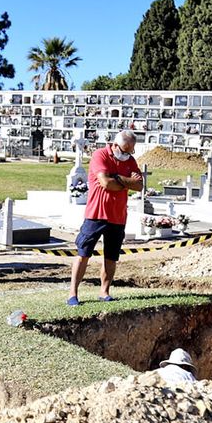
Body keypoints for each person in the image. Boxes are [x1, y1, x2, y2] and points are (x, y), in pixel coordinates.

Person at [67, 129, 143, 306]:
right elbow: (106, 183)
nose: (127, 155)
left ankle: (104, 291)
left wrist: (117, 178)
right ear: (115, 145)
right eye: (125, 151)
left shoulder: (130, 160)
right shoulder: (100, 155)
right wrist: (124, 183)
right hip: (96, 214)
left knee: (111, 256)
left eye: (130, 151)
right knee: (83, 253)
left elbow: (139, 185)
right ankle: (73, 293)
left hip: (118, 216)